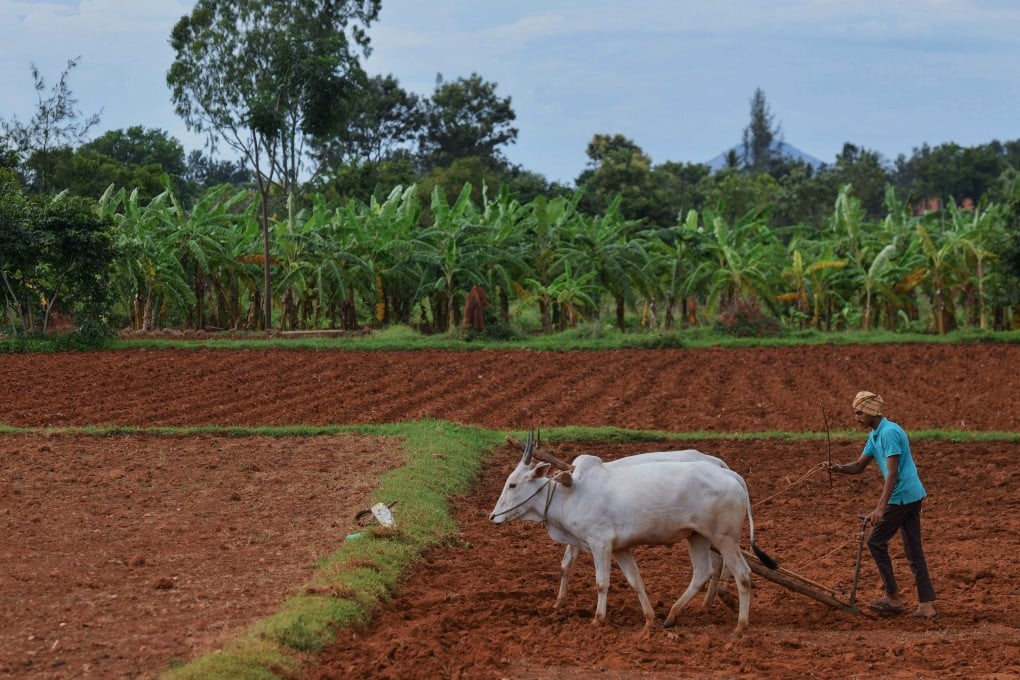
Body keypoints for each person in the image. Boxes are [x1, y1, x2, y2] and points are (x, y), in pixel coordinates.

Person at [825, 391, 937, 619]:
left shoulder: (889, 433)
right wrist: (836, 468)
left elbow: (893, 473)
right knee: (913, 550)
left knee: (875, 542)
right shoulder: (876, 434)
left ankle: (893, 597)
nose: (856, 417)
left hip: (903, 495)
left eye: (859, 412)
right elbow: (858, 466)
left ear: (871, 412)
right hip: (910, 494)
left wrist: (880, 509)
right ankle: (926, 605)